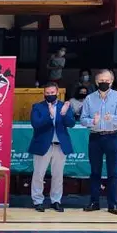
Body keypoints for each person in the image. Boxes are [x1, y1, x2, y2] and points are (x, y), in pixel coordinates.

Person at [80, 69, 117, 215]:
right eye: (101, 81)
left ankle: (112, 204)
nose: (104, 83)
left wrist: (111, 119)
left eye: (107, 81)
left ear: (112, 81)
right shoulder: (89, 98)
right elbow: (82, 119)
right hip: (95, 137)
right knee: (95, 172)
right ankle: (94, 202)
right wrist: (91, 121)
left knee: (113, 172)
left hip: (112, 136)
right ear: (96, 82)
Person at [28, 82, 76, 213]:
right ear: (44, 93)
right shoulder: (37, 107)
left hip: (60, 146)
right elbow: (36, 124)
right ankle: (38, 201)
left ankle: (56, 200)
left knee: (58, 175)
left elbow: (71, 123)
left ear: (57, 92)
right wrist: (49, 115)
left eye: (52, 93)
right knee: (38, 174)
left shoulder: (64, 106)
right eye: (47, 93)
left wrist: (64, 114)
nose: (50, 95)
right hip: (43, 145)